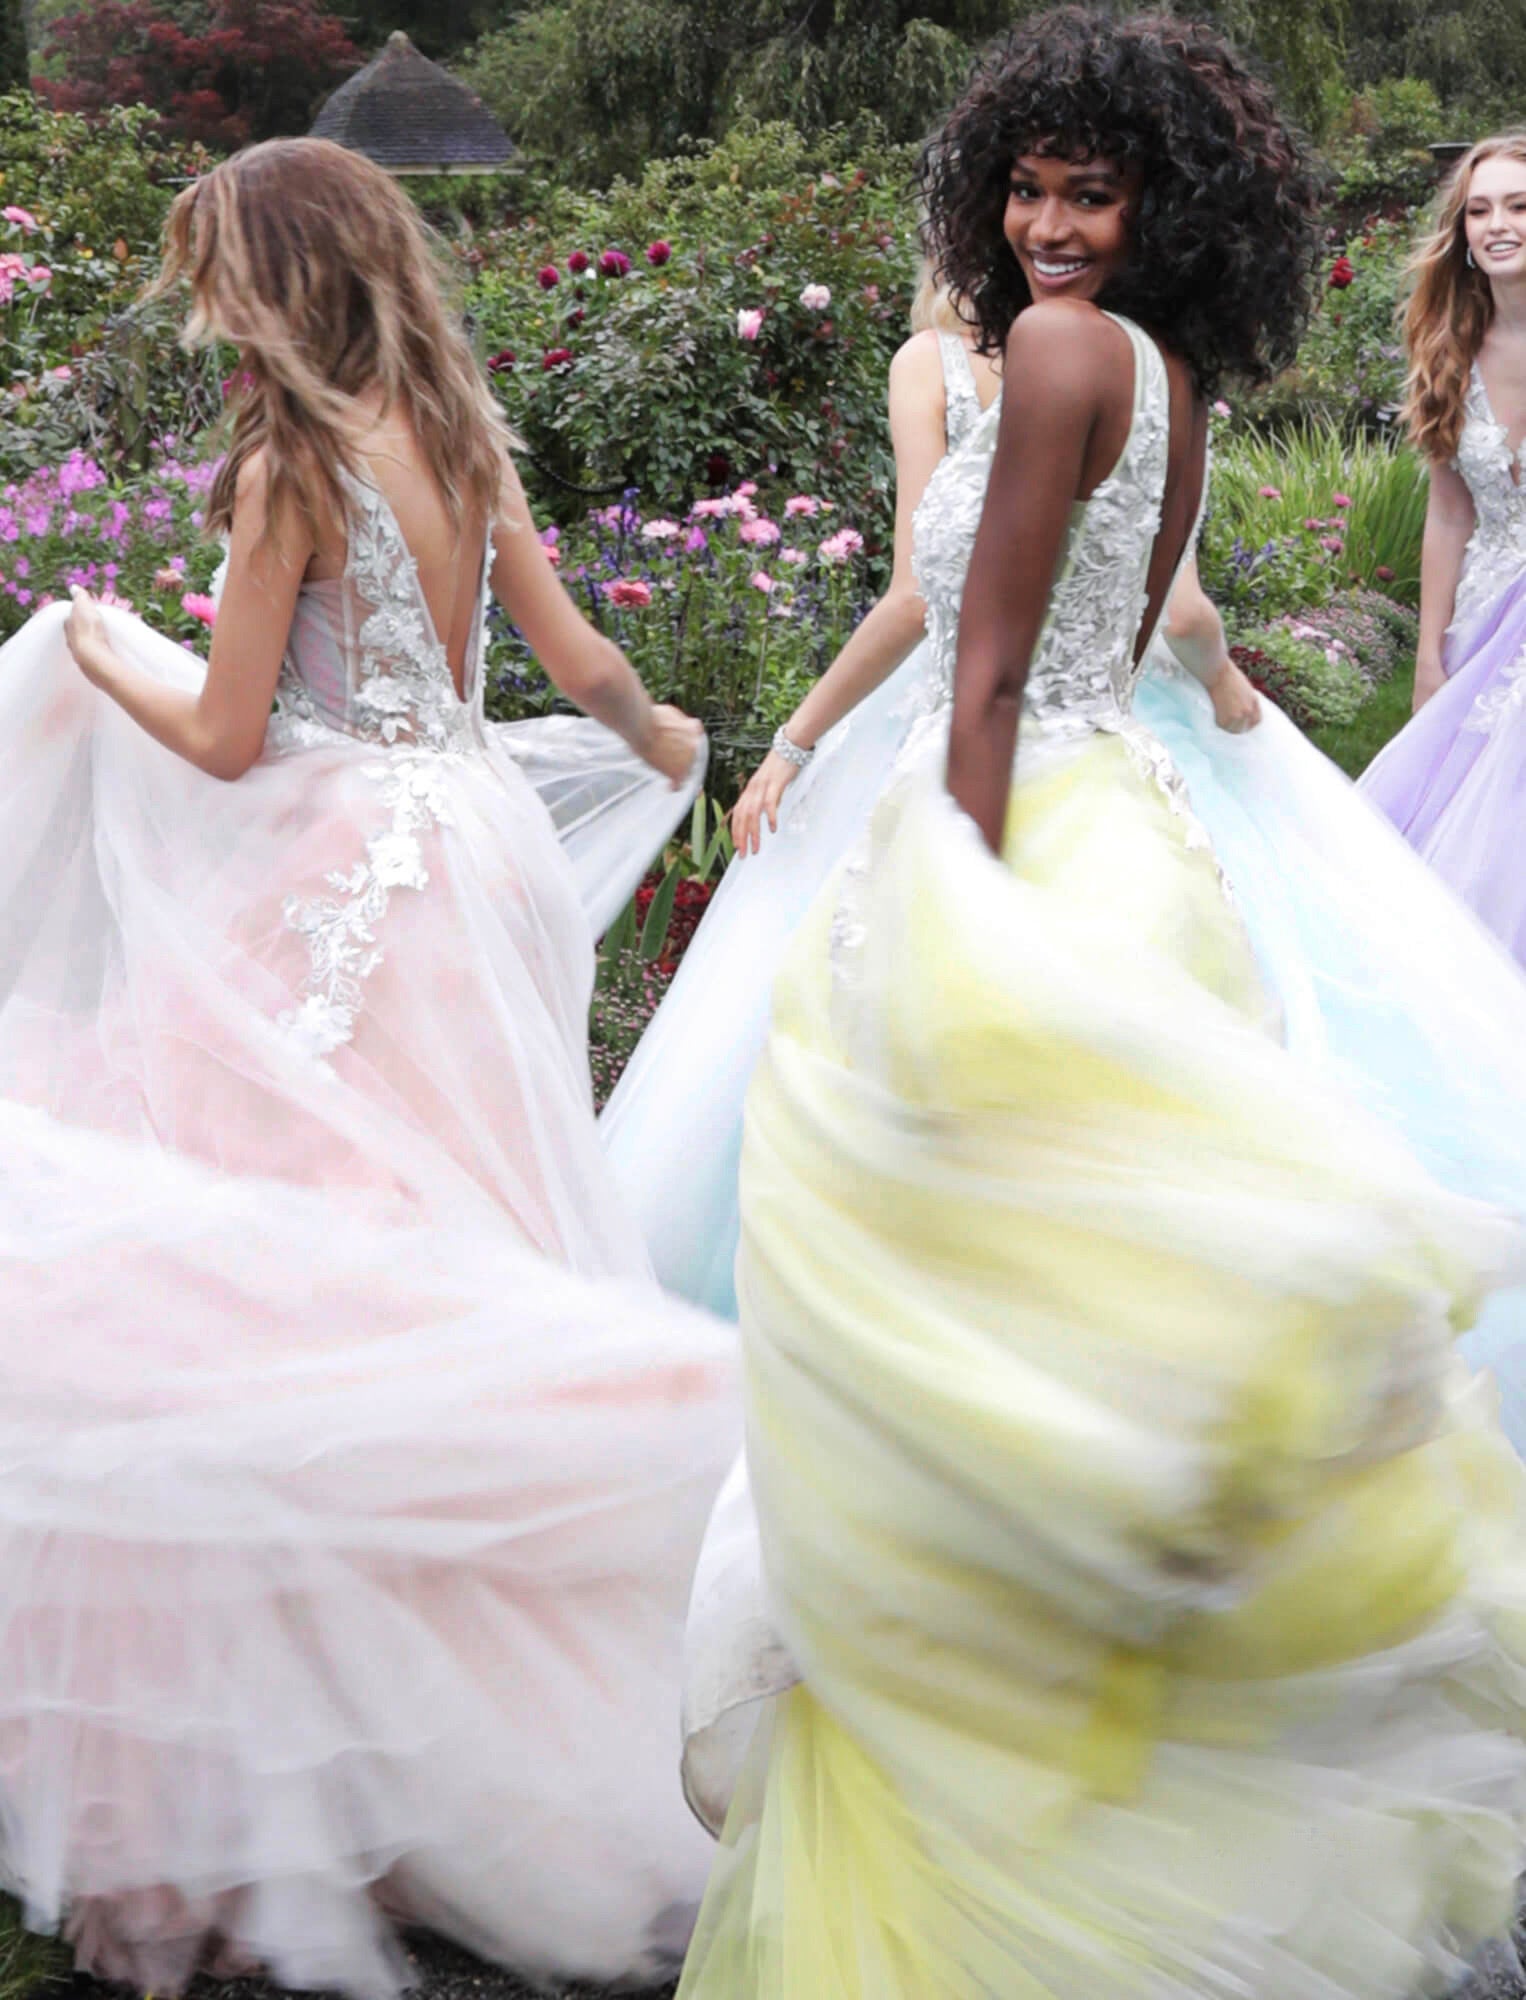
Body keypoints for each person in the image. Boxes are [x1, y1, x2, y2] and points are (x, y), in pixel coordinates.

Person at [675, 16, 1526, 1998]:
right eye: (1027, 188)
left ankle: (984, 1836)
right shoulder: (1164, 369)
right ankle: (1093, 1812)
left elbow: (980, 676)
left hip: (1023, 841)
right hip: (1132, 838)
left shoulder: (1059, 354)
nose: (1048, 226)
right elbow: (1121, 634)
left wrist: (948, 915)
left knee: (969, 1355)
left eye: (1092, 192)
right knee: (1070, 1359)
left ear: (1166, 207)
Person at [0, 137, 741, 1997]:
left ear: (272, 284)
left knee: (296, 1284)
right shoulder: (459, 436)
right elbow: (576, 659)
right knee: (463, 1234)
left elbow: (226, 737)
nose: (205, 318)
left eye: (216, 283)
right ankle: (492, 1716)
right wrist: (669, 739)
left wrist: (92, 645)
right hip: (477, 857)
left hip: (348, 879)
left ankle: (335, 1759)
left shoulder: (290, 470)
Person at [600, 277, 1257, 1318]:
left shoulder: (941, 366)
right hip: (1094, 752)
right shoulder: (1151, 366)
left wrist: (795, 742)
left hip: (966, 731)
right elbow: (1172, 610)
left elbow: (914, 595)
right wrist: (1210, 688)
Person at [1361, 134, 1526, 967]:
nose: (1499, 225)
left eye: (1520, 206)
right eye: (1480, 210)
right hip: (1484, 614)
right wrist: (1429, 654)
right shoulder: (1449, 348)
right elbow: (1451, 514)